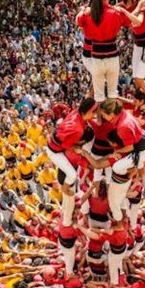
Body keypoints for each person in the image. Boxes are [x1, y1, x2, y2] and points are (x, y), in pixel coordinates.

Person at [76, 0, 142, 102]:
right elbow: (132, 22)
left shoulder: (88, 13)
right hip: (112, 57)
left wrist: (84, 9)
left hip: (96, 58)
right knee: (112, 93)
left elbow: (78, 21)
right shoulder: (116, 13)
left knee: (99, 96)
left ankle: (100, 120)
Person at [46, 97, 98, 226]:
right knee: (72, 180)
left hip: (58, 151)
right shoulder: (77, 131)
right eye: (93, 112)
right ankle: (66, 220)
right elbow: (65, 145)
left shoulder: (76, 112)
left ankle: (66, 218)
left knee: (69, 201)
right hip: (55, 151)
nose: (94, 116)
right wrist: (77, 149)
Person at [118, 0, 145, 106]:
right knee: (136, 79)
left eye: (125, 0)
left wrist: (124, 12)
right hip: (137, 44)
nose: (123, 3)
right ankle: (140, 99)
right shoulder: (125, 6)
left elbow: (137, 22)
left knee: (140, 77)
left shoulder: (142, 8)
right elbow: (114, 9)